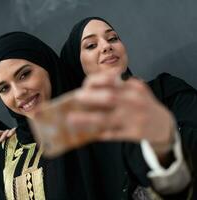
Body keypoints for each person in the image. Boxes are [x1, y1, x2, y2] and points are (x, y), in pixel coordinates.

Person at [60, 16, 196, 199]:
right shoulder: (83, 138)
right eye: (91, 45)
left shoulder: (167, 91)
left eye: (113, 38)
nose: (107, 46)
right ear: (77, 64)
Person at [0, 32, 130, 199]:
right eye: (4, 89)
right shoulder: (8, 151)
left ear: (47, 66)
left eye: (24, 75)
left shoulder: (98, 117)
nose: (18, 93)